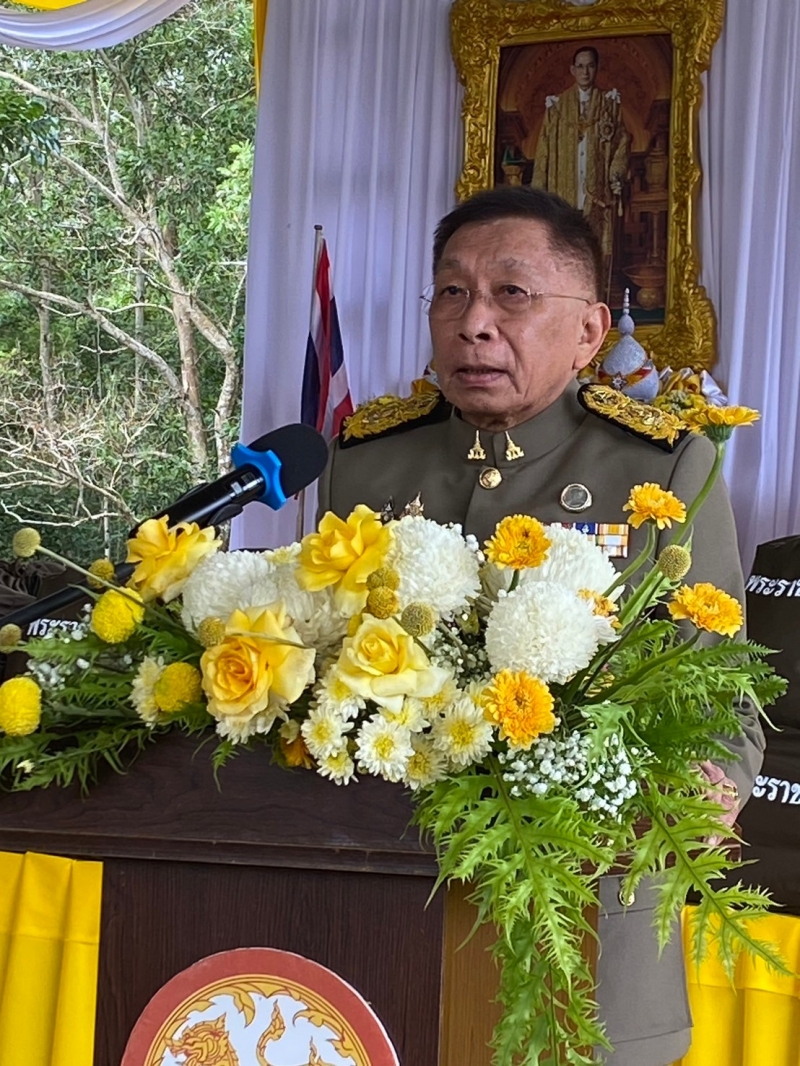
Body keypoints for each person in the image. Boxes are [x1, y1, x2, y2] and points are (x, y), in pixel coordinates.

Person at [317, 185, 764, 1066]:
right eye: (452, 293)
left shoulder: (665, 465)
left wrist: (702, 793)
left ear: (590, 331)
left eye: (512, 295)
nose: (474, 324)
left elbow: (723, 704)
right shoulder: (366, 464)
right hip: (381, 935)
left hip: (595, 951)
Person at [532, 46, 630, 292]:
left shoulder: (609, 105)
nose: (585, 72)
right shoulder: (557, 108)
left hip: (597, 197)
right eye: (580, 66)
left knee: (594, 252)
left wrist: (615, 174)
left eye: (590, 66)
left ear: (596, 69)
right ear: (572, 70)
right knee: (562, 253)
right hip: (563, 192)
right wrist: (537, 196)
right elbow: (543, 154)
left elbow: (621, 143)